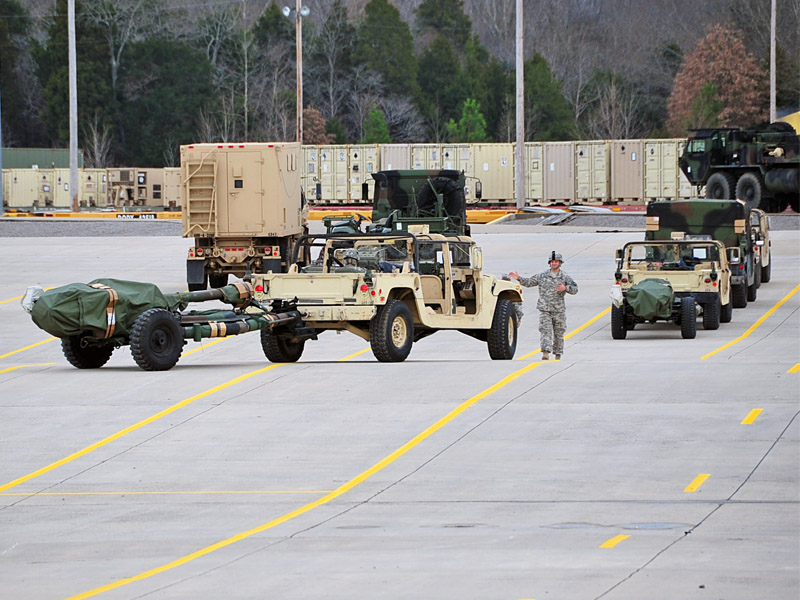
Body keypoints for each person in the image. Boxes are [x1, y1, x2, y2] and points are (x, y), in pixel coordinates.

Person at [509, 251, 578, 361]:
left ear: (560, 263)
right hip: (545, 309)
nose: (554, 263)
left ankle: (558, 354)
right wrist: (519, 278)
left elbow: (575, 289)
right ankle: (545, 352)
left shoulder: (565, 277)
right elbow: (529, 282)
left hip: (559, 310)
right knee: (545, 330)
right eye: (552, 261)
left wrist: (565, 288)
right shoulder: (542, 275)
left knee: (559, 332)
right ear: (549, 263)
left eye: (556, 261)